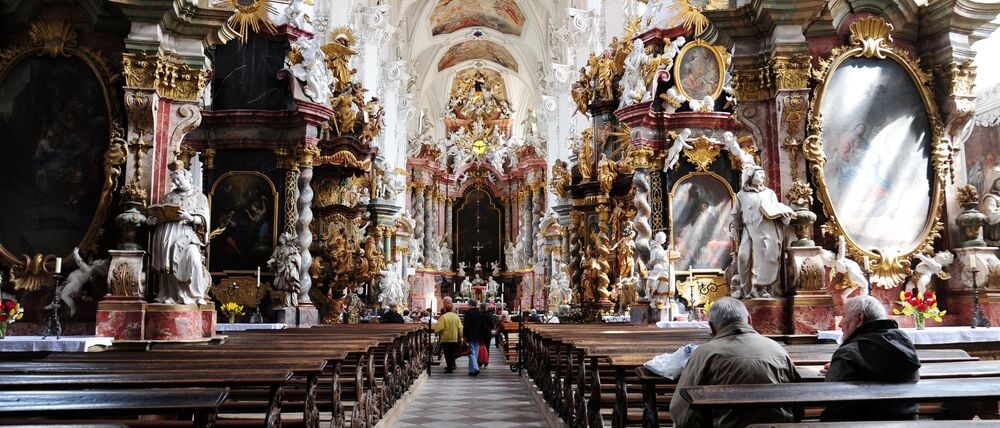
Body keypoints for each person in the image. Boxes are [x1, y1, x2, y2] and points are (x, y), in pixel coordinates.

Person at [669, 297, 801, 427]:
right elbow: (798, 406)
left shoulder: (704, 353)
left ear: (712, 327)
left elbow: (681, 412)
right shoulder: (777, 349)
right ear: (750, 320)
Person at [820, 296, 920, 421]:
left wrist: (838, 368)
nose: (840, 323)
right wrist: (839, 366)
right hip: (906, 419)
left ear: (860, 318)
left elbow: (830, 398)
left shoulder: (848, 353)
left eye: (844, 316)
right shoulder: (902, 341)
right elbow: (879, 365)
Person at [148, 162, 211, 305]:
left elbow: (204, 219)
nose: (176, 182)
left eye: (179, 179)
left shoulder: (199, 197)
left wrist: (190, 217)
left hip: (186, 234)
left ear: (188, 178)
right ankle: (171, 295)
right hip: (167, 233)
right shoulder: (169, 197)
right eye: (174, 180)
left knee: (193, 259)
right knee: (168, 266)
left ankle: (196, 295)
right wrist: (152, 221)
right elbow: (161, 212)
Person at [730, 165, 794, 298]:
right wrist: (733, 229)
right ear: (750, 177)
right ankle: (745, 290)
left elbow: (776, 210)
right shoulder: (742, 195)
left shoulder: (769, 193)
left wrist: (785, 219)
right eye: (759, 174)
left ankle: (762, 288)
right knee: (743, 257)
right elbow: (734, 214)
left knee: (766, 258)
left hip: (769, 231)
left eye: (763, 175)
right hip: (750, 230)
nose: (763, 177)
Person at [463, 299, 491, 376]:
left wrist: (465, 336)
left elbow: (466, 326)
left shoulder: (468, 313)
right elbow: (483, 326)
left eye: (468, 304)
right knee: (475, 352)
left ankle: (475, 368)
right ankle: (471, 370)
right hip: (479, 334)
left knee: (471, 352)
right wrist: (483, 335)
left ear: (470, 304)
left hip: (471, 334)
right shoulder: (480, 313)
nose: (467, 305)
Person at [434, 300, 462, 373]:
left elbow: (439, 328)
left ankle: (449, 367)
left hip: (445, 338)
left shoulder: (443, 317)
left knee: (447, 353)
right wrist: (460, 336)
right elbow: (460, 327)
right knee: (453, 352)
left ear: (445, 309)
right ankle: (452, 365)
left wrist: (437, 331)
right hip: (454, 337)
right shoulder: (456, 317)